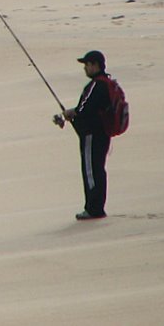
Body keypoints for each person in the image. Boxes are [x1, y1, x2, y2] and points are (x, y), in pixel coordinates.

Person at [60, 50, 112, 220]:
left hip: (92, 134)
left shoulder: (96, 85)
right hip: (102, 134)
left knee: (91, 170)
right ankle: (97, 207)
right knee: (98, 169)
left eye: (87, 65)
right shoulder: (106, 83)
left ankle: (93, 208)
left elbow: (84, 110)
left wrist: (70, 113)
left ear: (95, 65)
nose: (85, 69)